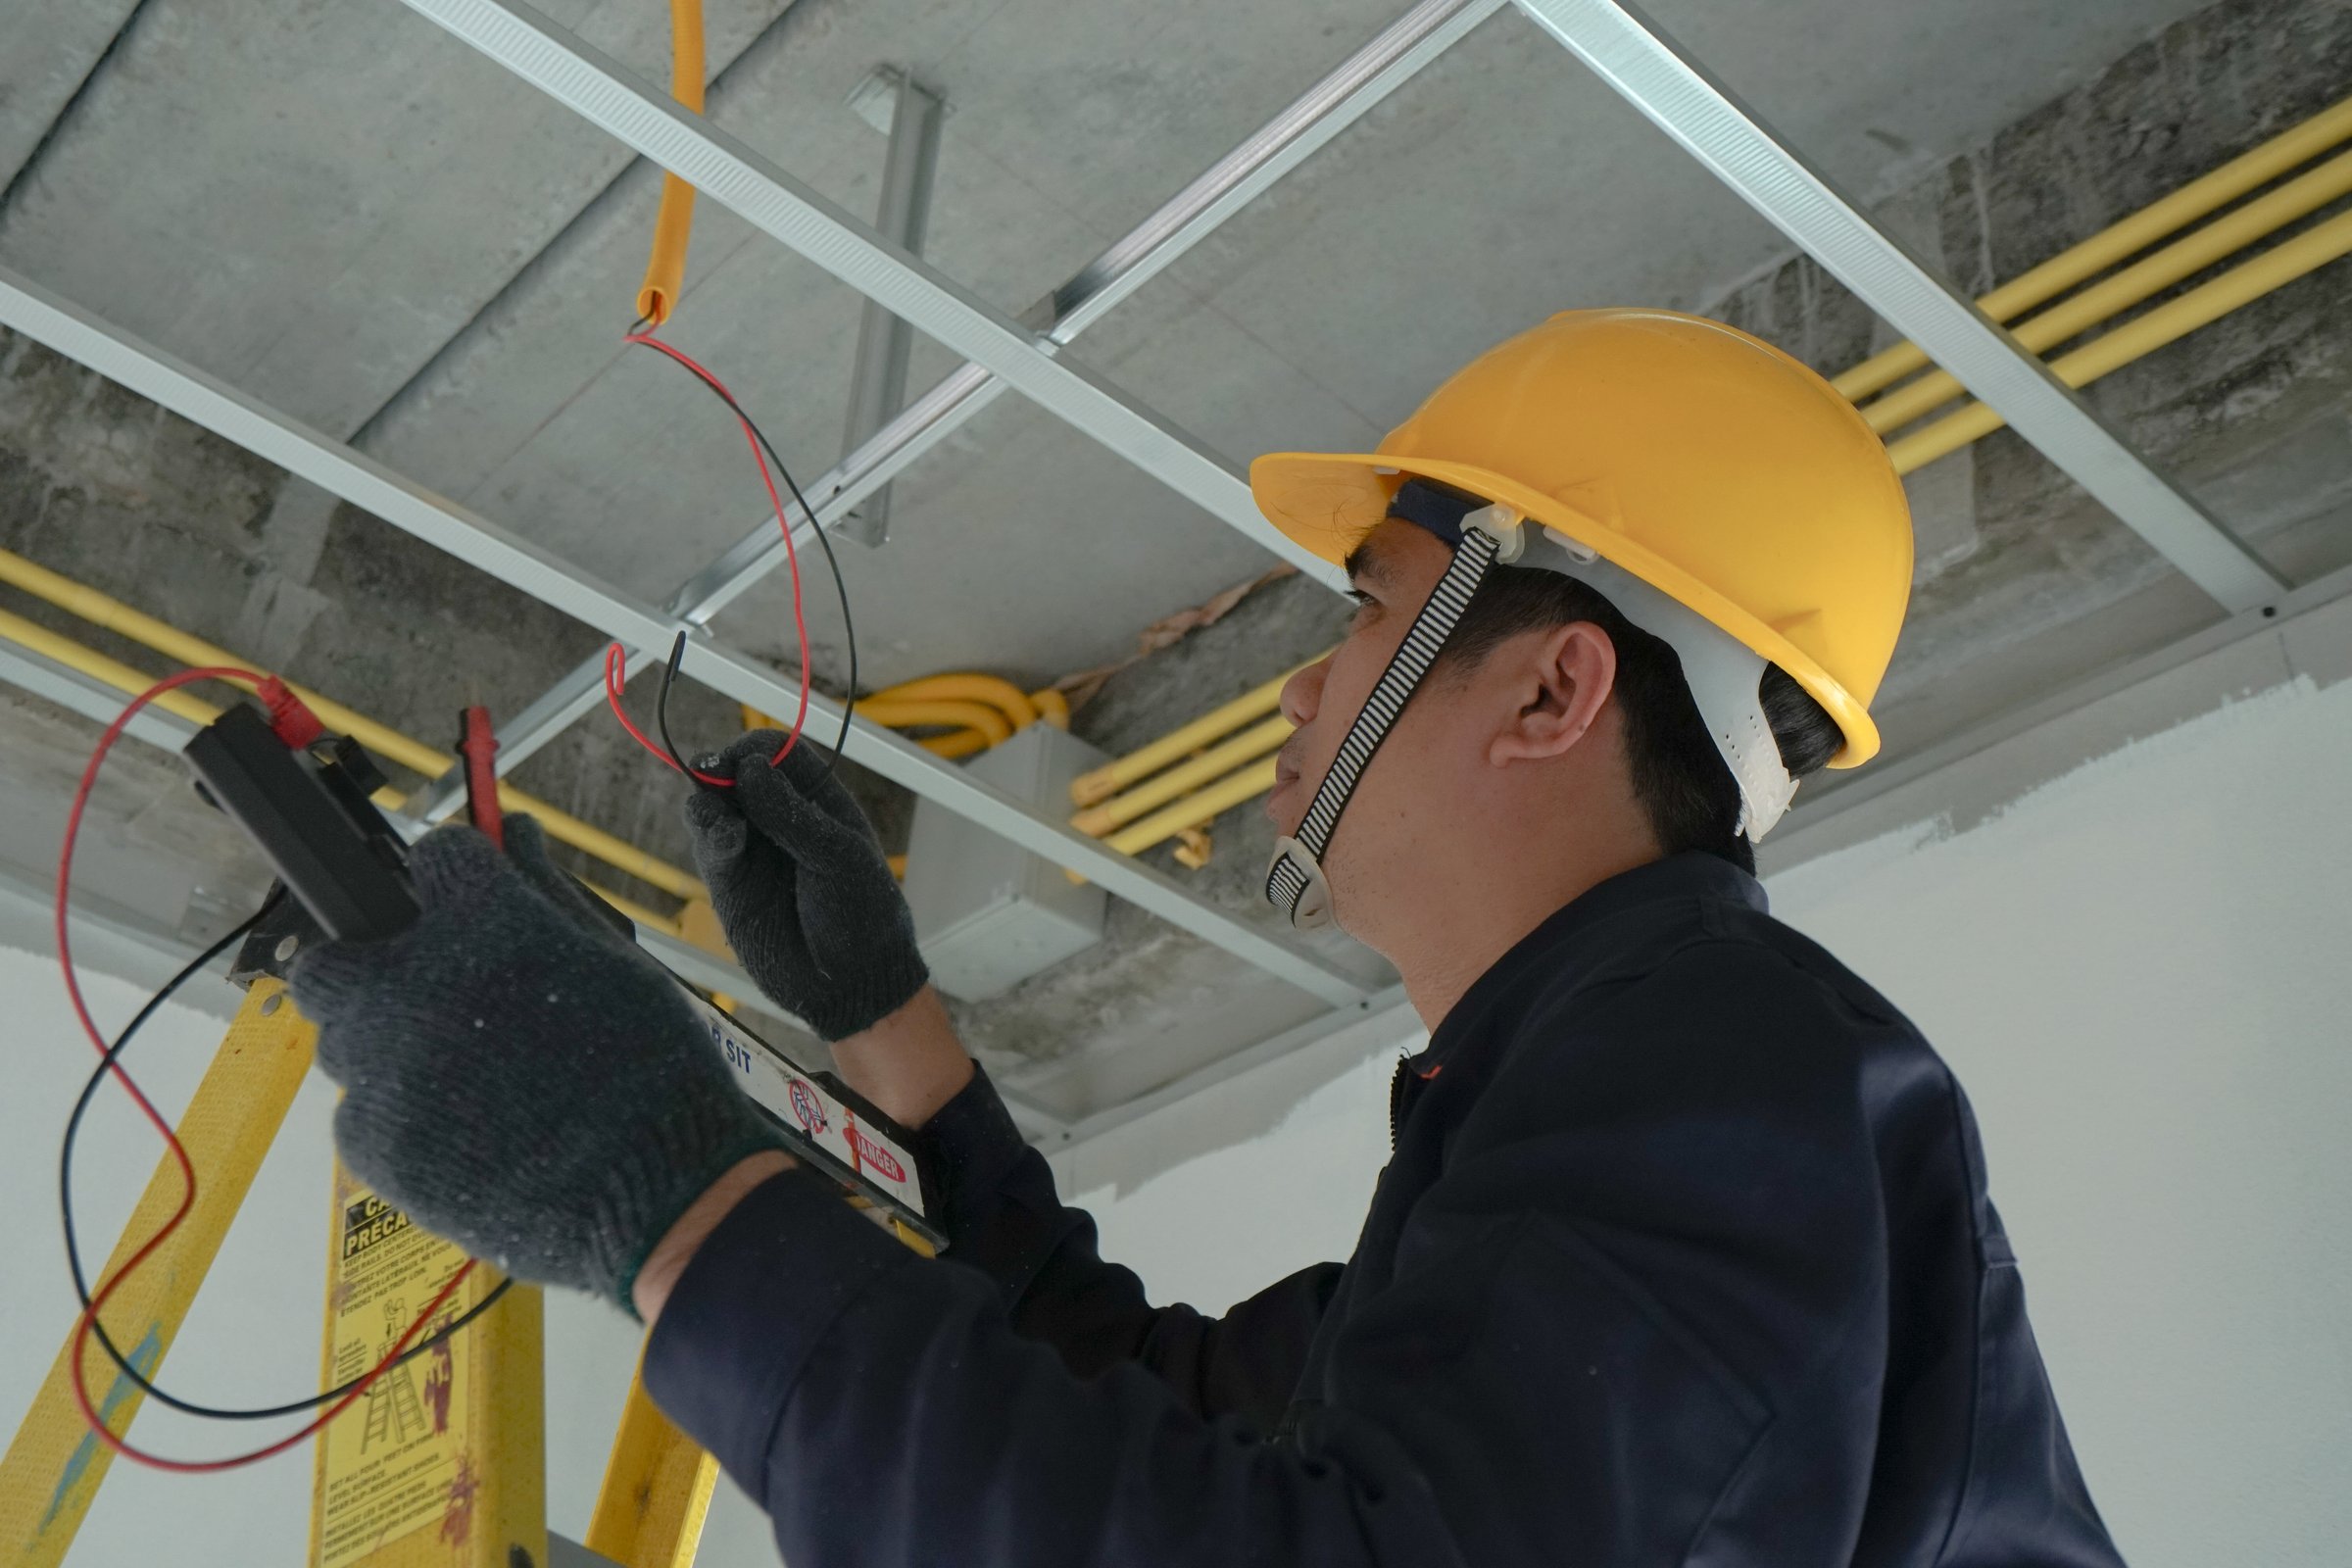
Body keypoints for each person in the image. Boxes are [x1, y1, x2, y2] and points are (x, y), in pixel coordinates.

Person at [293, 310, 2125, 1566]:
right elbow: (1177, 1430)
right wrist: (889, 1025)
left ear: (1557, 687)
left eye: (1366, 608)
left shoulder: (1727, 1072)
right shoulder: (1634, 1131)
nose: (1308, 679)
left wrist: (665, 1203)